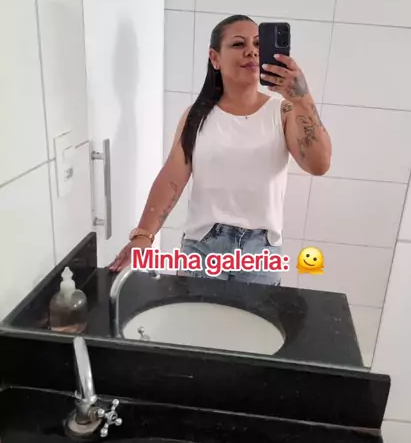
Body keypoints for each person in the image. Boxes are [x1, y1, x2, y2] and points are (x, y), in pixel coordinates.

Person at [109, 14, 332, 285]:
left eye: (258, 44)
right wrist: (144, 236)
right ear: (215, 58)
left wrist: (302, 97)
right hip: (202, 248)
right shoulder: (196, 115)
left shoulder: (284, 112)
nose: (251, 51)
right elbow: (171, 178)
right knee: (196, 314)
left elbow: (319, 165)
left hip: (260, 253)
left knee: (252, 316)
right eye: (238, 44)